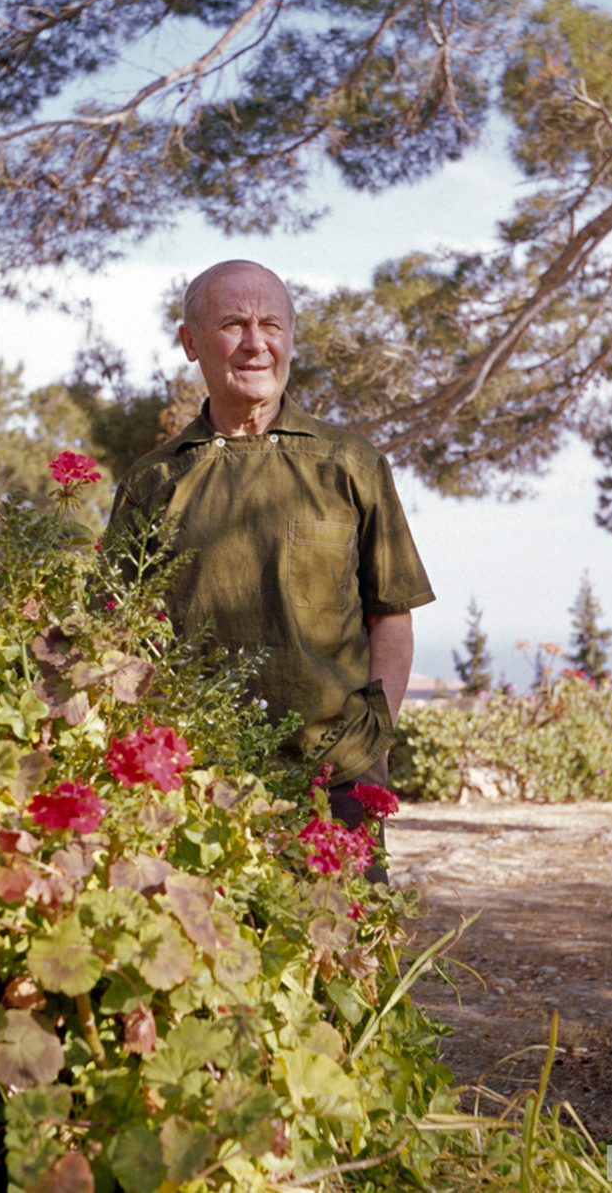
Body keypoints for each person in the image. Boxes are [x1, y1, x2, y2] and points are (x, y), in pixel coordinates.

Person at [107, 259, 434, 880]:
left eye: (272, 325)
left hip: (336, 773)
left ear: (291, 338)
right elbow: (117, 633)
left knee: (345, 938)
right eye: (233, 324)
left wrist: (372, 738)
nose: (256, 343)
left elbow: (391, 617)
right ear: (190, 343)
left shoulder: (351, 465)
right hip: (197, 779)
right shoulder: (153, 482)